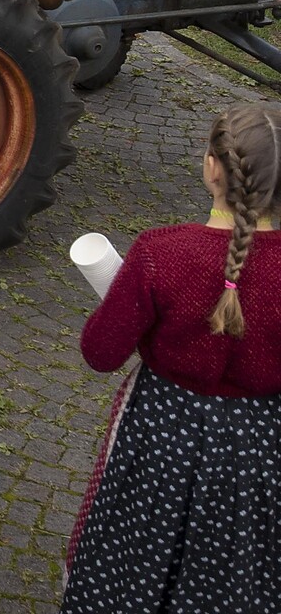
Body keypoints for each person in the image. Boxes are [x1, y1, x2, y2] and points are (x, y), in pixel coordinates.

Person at [61, 105, 281, 613]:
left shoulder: (162, 252)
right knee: (236, 563)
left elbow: (100, 352)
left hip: (162, 432)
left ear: (211, 167)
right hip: (259, 444)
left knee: (133, 551)